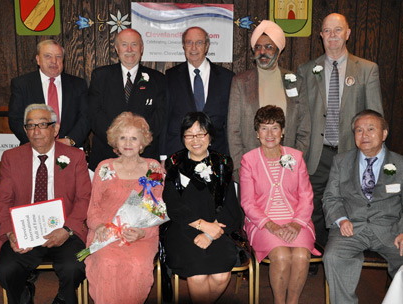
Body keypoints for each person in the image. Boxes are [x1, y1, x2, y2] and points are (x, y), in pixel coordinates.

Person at [297, 13, 384, 251]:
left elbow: (375, 117)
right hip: (317, 154)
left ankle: (341, 255)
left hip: (351, 153)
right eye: (327, 31)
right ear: (321, 36)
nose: (332, 35)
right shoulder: (306, 70)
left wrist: (373, 157)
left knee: (347, 205)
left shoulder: (367, 70)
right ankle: (313, 252)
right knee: (313, 205)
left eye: (338, 30)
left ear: (347, 33)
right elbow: (301, 116)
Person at [322, 110, 403, 304]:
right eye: (359, 130)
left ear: (384, 134)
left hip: (391, 230)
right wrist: (341, 219)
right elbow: (330, 197)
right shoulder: (340, 162)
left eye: (371, 129)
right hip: (350, 227)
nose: (364, 135)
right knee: (333, 256)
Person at [0, 104, 91, 304]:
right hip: (25, 231)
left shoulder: (75, 156)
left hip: (65, 230)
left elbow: (84, 198)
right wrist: (12, 233)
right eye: (30, 126)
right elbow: (2, 200)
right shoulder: (11, 157)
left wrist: (67, 229)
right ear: (25, 130)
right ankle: (23, 295)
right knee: (5, 269)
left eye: (43, 124)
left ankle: (64, 298)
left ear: (55, 129)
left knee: (75, 266)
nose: (36, 131)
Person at [240, 105, 320, 304]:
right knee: (282, 256)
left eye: (275, 127)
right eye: (264, 128)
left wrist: (296, 223)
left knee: (301, 256)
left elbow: (306, 195)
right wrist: (271, 225)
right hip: (262, 221)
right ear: (257, 133)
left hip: (297, 219)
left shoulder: (295, 157)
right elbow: (248, 203)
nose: (269, 134)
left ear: (282, 131)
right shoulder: (249, 160)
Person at [85, 112, 164, 303]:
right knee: (107, 263)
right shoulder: (104, 167)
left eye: (134, 138)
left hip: (141, 235)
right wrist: (99, 227)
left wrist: (142, 233)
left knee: (137, 265)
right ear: (115, 142)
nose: (128, 143)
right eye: (122, 137)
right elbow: (93, 208)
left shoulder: (153, 169)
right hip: (106, 234)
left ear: (142, 142)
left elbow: (156, 210)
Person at [163, 112, 242, 304]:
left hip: (218, 228)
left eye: (201, 134)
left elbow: (230, 205)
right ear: (183, 138)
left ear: (210, 136)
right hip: (184, 228)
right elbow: (172, 204)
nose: (195, 140)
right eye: (189, 134)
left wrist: (209, 233)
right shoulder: (175, 163)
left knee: (221, 276)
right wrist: (201, 226)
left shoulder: (222, 163)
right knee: (197, 275)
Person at [228, 20, 310, 181]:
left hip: (288, 167)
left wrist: (294, 162)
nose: (262, 52)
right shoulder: (240, 82)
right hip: (251, 168)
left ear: (279, 51)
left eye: (269, 47)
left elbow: (304, 129)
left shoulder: (295, 81)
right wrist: (241, 167)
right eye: (257, 47)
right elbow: (233, 130)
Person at [88, 29, 166, 171]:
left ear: (141, 49)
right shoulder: (100, 76)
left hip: (144, 156)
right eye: (124, 44)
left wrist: (138, 143)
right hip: (107, 154)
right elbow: (94, 113)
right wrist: (117, 142)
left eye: (134, 44)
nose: (129, 49)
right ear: (117, 49)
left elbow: (160, 116)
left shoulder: (158, 79)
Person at [162, 26, 234, 158]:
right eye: (189, 42)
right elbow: (165, 118)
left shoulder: (227, 78)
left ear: (206, 46)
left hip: (217, 153)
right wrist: (163, 156)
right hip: (178, 153)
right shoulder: (170, 77)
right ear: (184, 46)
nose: (194, 47)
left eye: (199, 42)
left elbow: (231, 122)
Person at [9, 40, 90, 148]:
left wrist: (70, 141)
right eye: (48, 56)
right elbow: (15, 119)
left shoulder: (78, 84)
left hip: (69, 148)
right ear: (38, 59)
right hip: (34, 149)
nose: (54, 61)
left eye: (58, 56)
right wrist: (39, 142)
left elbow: (86, 117)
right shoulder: (22, 84)